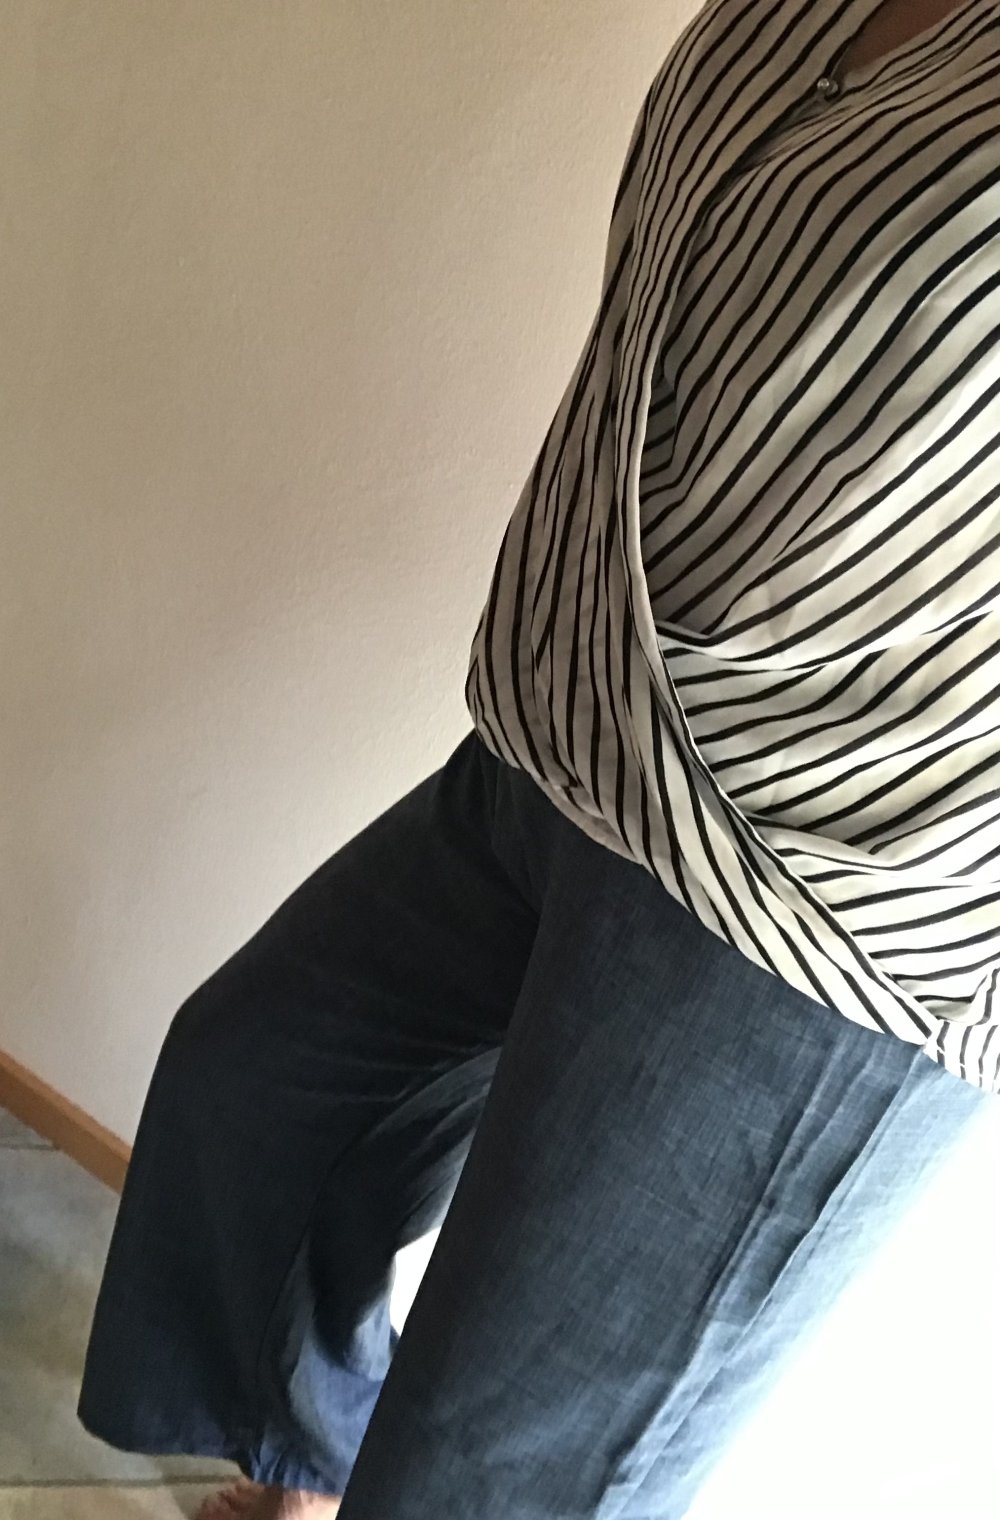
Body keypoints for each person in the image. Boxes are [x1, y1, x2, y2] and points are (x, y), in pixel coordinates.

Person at [78, 2, 1000, 1516]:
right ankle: (306, 1476)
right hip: (568, 724)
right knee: (262, 1099)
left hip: (814, 906)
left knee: (495, 1474)